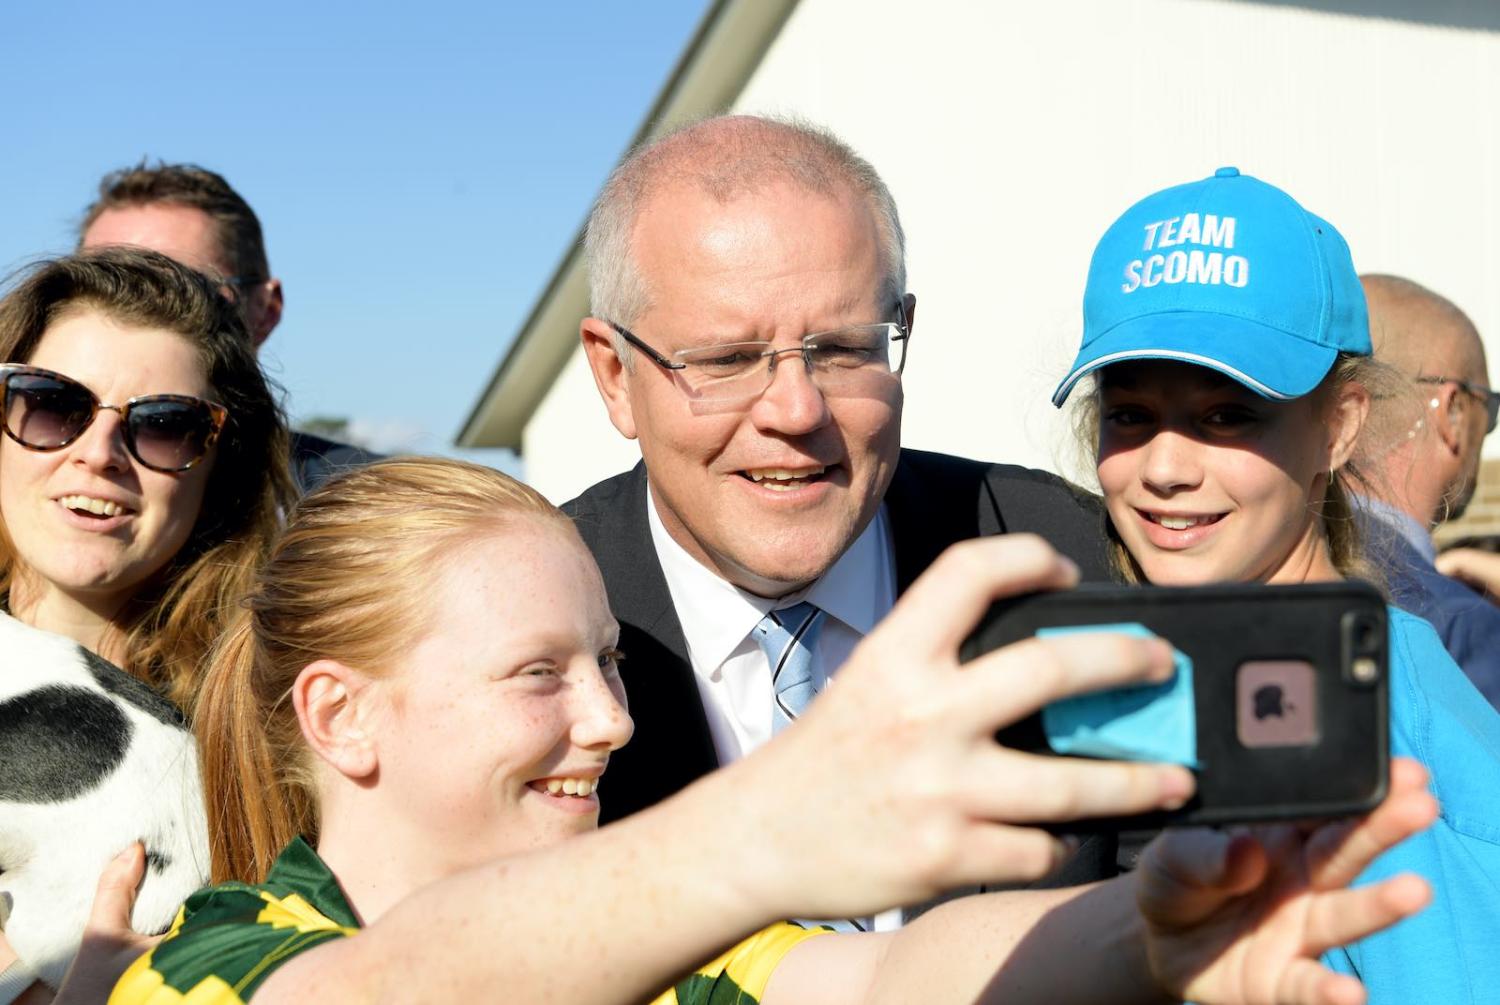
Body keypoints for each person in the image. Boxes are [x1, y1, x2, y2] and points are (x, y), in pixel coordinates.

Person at [99, 457, 1435, 1005]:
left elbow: (886, 982)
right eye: (538, 674)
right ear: (339, 715)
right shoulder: (209, 962)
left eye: (609, 662)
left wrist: (1149, 918)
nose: (612, 718)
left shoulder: (668, 954)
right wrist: (769, 822)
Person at [568, 114, 1121, 891]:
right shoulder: (513, 636)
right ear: (616, 376)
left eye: (842, 349)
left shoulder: (1078, 564)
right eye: (727, 360)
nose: (795, 411)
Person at [1052, 166, 1500, 1003]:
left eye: (1228, 416)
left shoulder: (1377, 729)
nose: (1164, 468)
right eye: (1130, 414)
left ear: (1342, 423)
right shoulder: (1124, 684)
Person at [0, 247, 296, 1002]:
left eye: (165, 426)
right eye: (50, 403)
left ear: (216, 466)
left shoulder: (278, 719)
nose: (97, 454)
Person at [79, 161, 380, 490]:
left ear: (266, 310)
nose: (134, 319)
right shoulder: (23, 488)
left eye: (187, 291)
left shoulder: (363, 511)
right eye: (99, 288)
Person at [1352, 274, 1500, 707]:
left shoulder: (1263, 568)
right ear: (1452, 412)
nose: (1486, 432)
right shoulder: (1459, 625)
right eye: (1488, 411)